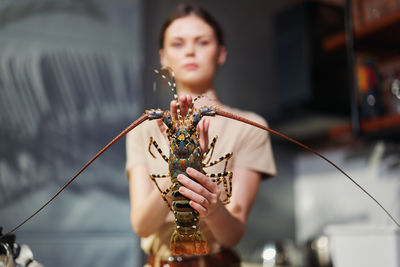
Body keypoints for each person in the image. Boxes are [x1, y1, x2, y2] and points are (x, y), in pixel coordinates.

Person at [126, 3, 276, 267]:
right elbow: (142, 225)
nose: (190, 51)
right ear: (163, 56)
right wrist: (177, 172)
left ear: (221, 52)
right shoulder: (143, 129)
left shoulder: (251, 126)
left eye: (202, 42)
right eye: (178, 43)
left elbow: (233, 233)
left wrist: (215, 207)